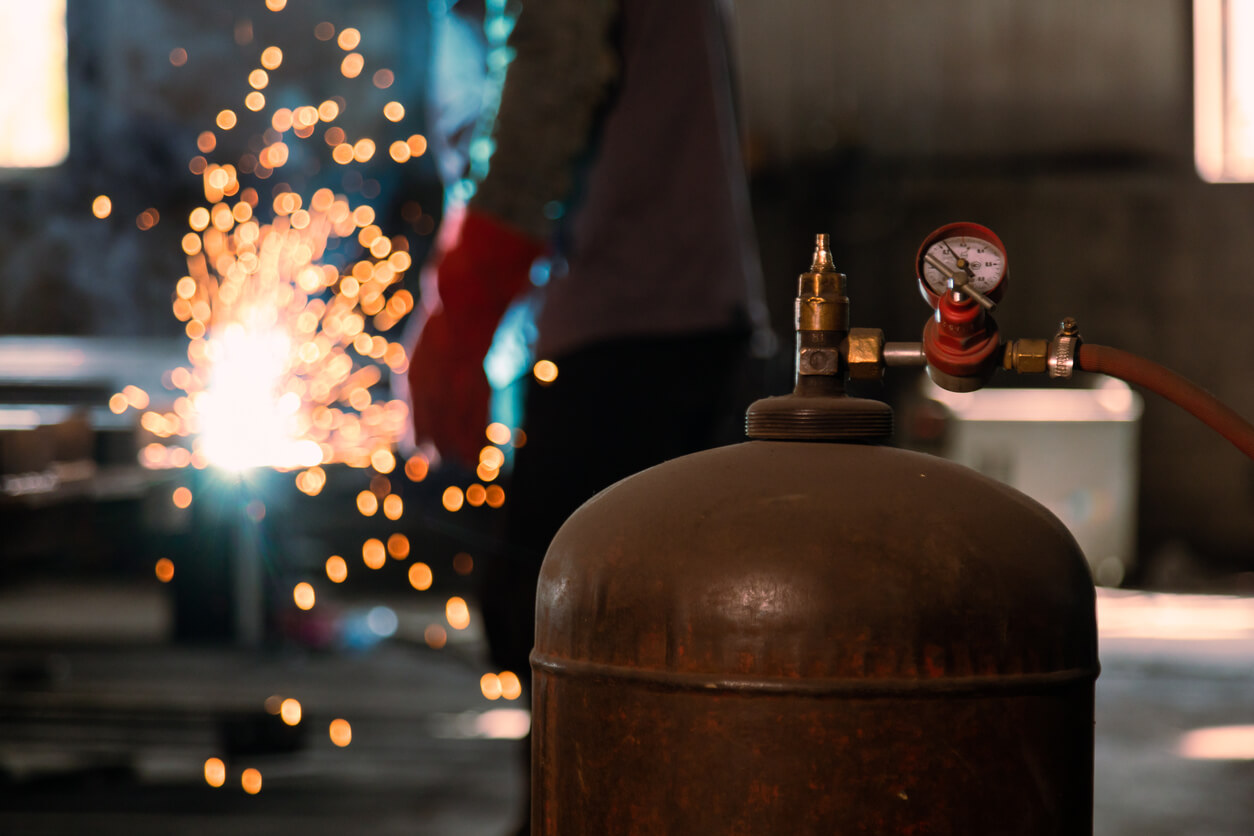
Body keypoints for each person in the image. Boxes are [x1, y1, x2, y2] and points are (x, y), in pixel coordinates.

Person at [405, 0, 769, 829]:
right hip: (661, 312)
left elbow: (551, 84)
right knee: (599, 623)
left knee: (561, 615)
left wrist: (462, 314)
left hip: (636, 324)